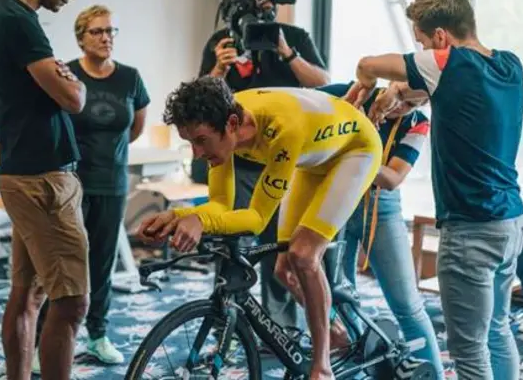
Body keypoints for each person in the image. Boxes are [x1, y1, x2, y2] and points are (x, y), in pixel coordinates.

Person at [137, 76, 383, 380]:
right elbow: (220, 205)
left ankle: (322, 367)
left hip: (354, 151)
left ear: (231, 124)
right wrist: (179, 215)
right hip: (312, 157)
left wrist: (199, 220)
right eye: (190, 142)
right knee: (283, 269)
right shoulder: (225, 124)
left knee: (304, 255)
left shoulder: (282, 130)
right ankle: (335, 327)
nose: (196, 154)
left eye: (200, 140)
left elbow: (256, 219)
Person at [345, 0, 523, 380]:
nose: (421, 49)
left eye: (422, 41)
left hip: (470, 230)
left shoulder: (449, 62)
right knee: (497, 331)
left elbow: (368, 63)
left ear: (441, 37)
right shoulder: (510, 66)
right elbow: (442, 94)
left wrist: (366, 80)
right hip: (511, 222)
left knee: (468, 350)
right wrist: (398, 94)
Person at [196, 0, 329, 330]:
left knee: (276, 246)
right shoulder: (223, 40)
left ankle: (280, 326)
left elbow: (324, 82)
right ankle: (226, 317)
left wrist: (287, 52)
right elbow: (201, 97)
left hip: (283, 156)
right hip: (236, 159)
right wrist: (218, 68)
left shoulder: (294, 36)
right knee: (230, 239)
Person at [0, 0, 88, 379]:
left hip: (27, 175)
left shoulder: (8, 15)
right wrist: (74, 83)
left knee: (26, 295)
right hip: (42, 181)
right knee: (71, 302)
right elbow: (74, 98)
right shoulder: (19, 20)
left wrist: (67, 81)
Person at [31, 4, 150, 372]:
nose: (106, 38)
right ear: (81, 37)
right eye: (97, 31)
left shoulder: (130, 78)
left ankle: (98, 334)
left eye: (111, 31)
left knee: (101, 263)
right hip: (71, 183)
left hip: (112, 182)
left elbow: (135, 128)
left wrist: (110, 157)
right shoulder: (67, 73)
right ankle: (42, 343)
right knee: (65, 267)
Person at [319, 82, 443, 378]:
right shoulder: (350, 93)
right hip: (333, 198)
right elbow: (302, 108)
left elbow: (393, 177)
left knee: (407, 303)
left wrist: (353, 160)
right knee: (339, 296)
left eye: (412, 105)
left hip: (380, 206)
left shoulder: (418, 122)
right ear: (393, 84)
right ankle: (361, 369)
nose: (401, 107)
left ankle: (435, 375)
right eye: (400, 97)